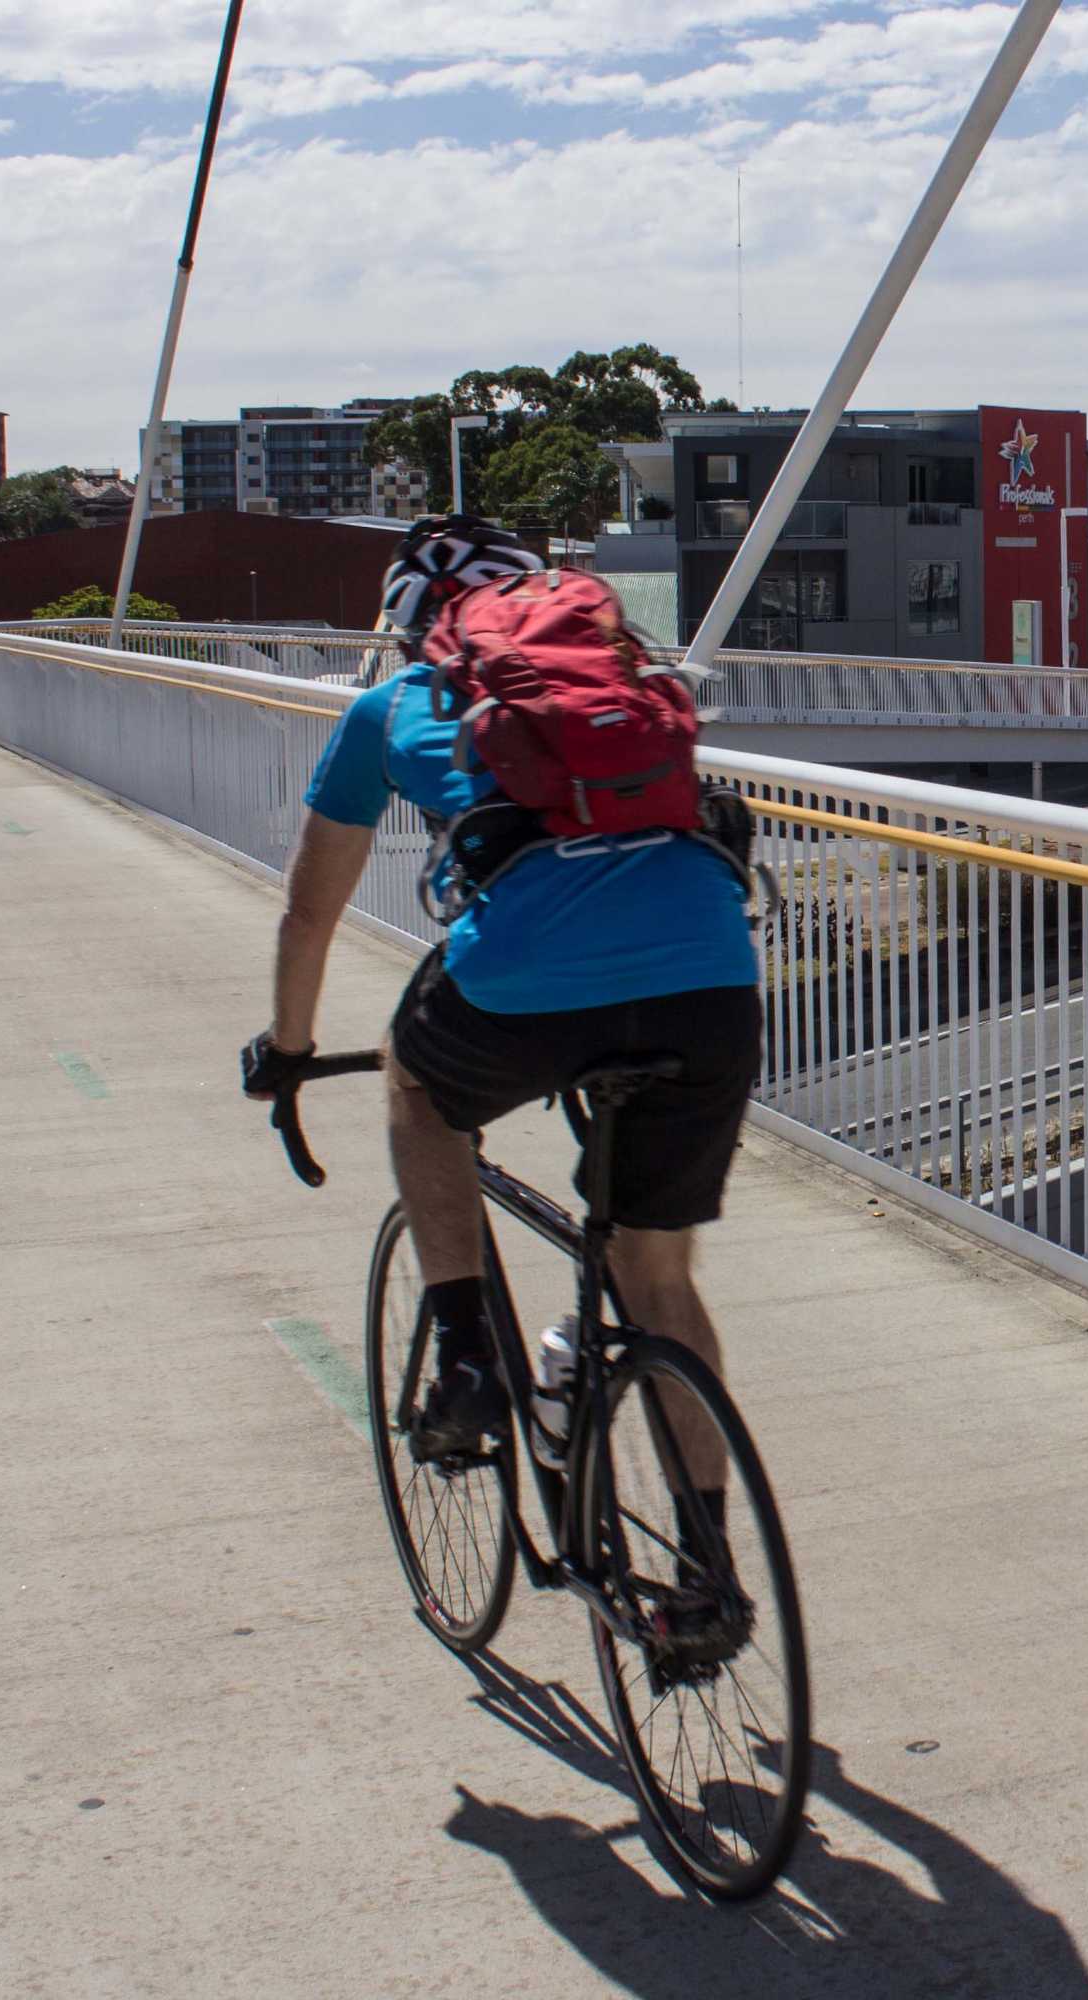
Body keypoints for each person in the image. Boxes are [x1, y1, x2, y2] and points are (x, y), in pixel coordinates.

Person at [239, 516, 760, 1476]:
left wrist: (290, 1050)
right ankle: (707, 1583)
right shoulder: (625, 684)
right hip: (711, 974)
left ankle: (469, 1359)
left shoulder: (391, 708)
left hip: (526, 977)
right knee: (657, 1275)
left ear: (414, 629)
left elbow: (308, 917)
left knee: (416, 1087)